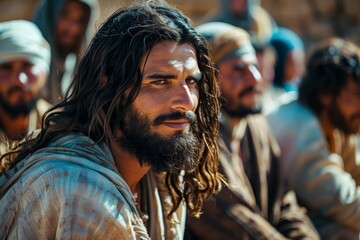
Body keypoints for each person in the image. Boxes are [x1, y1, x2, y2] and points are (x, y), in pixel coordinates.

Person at [0, 2, 223, 239]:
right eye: (160, 82)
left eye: (191, 81)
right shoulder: (79, 194)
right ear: (109, 85)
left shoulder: (162, 176)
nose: (186, 101)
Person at [185, 22, 319, 239]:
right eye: (239, 69)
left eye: (255, 66)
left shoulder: (255, 125)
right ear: (208, 79)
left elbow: (285, 203)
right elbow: (233, 220)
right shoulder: (193, 140)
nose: (255, 79)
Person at [267, 38, 360, 239]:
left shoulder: (334, 122)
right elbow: (344, 204)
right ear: (326, 94)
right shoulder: (300, 126)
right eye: (356, 95)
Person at [0, 20, 51, 157]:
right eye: (6, 67)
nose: (19, 80)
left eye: (27, 65)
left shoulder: (60, 128)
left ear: (45, 73)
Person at [32, 0, 99, 103]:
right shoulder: (27, 62)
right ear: (50, 14)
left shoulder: (77, 68)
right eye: (65, 15)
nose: (72, 28)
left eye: (80, 20)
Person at [270, 27, 305, 93]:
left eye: (300, 63)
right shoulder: (269, 96)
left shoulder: (299, 88)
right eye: (293, 64)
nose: (298, 70)